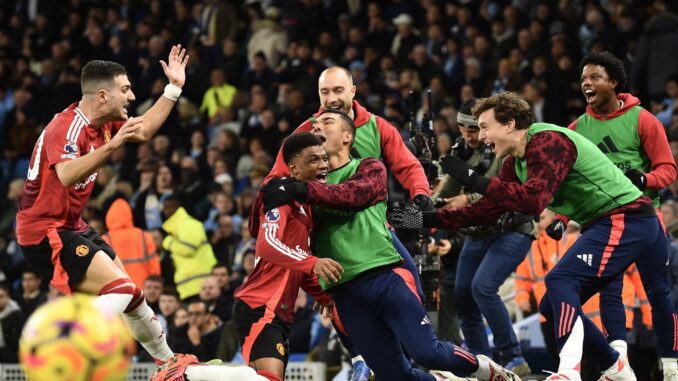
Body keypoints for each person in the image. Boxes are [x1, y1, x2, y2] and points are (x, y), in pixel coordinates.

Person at [388, 91, 678, 381]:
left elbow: (534, 201)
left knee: (558, 281)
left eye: (486, 126)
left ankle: (568, 373)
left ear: (510, 124)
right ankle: (615, 367)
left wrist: (473, 178)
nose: (483, 136)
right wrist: (421, 219)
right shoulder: (516, 163)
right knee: (550, 306)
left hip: (626, 216)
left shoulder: (547, 141)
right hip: (617, 220)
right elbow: (485, 210)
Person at [262, 110, 519, 381]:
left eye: (327, 122)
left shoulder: (368, 168)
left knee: (427, 353)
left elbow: (352, 196)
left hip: (386, 275)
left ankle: (484, 369)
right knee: (395, 377)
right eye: (314, 124)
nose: (317, 127)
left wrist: (297, 190)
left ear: (348, 136)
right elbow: (284, 237)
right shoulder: (301, 189)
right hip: (345, 293)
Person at [251, 65, 432, 381]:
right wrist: (272, 204)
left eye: (337, 91)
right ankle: (362, 357)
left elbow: (408, 166)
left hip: (376, 235)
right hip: (328, 240)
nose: (331, 98)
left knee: (413, 292)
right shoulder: (305, 133)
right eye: (324, 92)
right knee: (340, 306)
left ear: (353, 91)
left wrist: (421, 196)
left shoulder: (377, 126)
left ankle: (414, 361)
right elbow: (276, 181)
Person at [557, 50, 675, 375]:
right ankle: (619, 363)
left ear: (613, 82)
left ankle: (671, 365)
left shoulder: (643, 120)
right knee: (610, 288)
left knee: (658, 291)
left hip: (644, 219)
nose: (587, 84)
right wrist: (561, 218)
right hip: (604, 222)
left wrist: (645, 179)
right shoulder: (576, 128)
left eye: (594, 77)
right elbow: (566, 181)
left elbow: (668, 169)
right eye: (583, 79)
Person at [435, 99, 534, 376]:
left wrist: (466, 199)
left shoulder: (501, 145)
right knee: (464, 297)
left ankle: (513, 358)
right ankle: (482, 364)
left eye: (476, 129)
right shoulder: (460, 150)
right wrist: (428, 204)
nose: (471, 136)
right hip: (477, 234)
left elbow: (500, 190)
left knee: (483, 288)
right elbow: (448, 188)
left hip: (512, 229)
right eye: (464, 129)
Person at [233, 132, 342, 381]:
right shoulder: (282, 199)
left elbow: (294, 264)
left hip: (278, 312)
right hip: (259, 306)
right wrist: (314, 263)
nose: (323, 165)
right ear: (293, 169)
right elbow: (267, 245)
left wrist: (323, 295)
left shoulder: (307, 209)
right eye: (313, 160)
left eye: (324, 159)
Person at [161, 193, 217, 301]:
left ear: (179, 207)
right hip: (188, 287)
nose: (168, 210)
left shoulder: (189, 223)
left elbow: (188, 249)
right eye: (165, 207)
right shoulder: (174, 228)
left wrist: (169, 242)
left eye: (171, 206)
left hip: (201, 284)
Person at [103, 197, 160, 289]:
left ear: (109, 216)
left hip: (120, 291)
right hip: (144, 290)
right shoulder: (144, 236)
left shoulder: (105, 240)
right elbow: (154, 266)